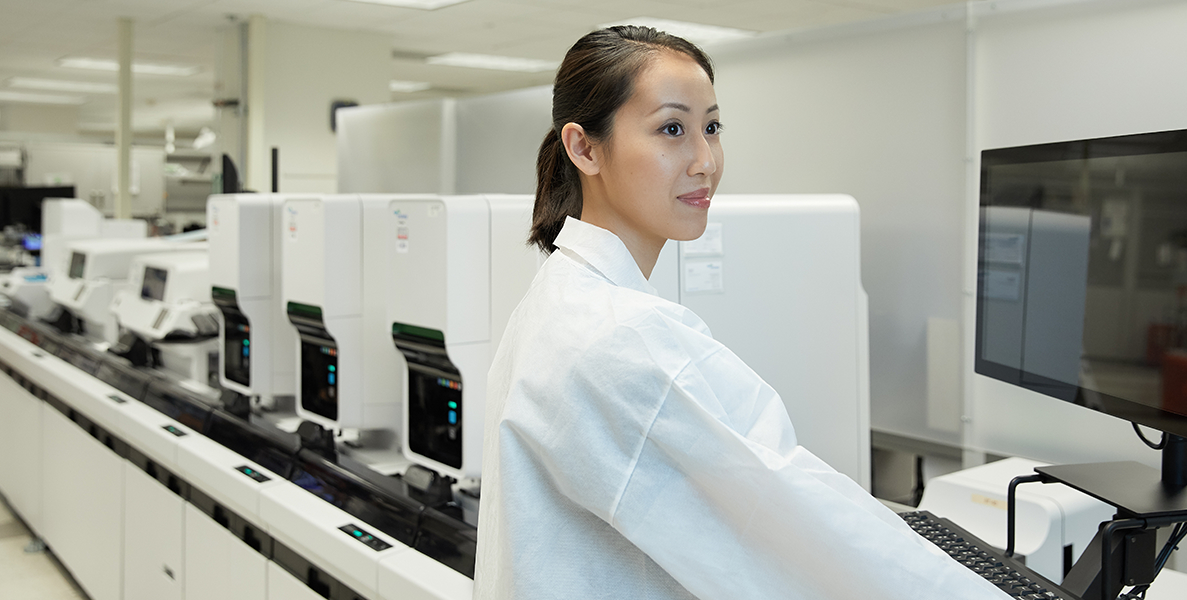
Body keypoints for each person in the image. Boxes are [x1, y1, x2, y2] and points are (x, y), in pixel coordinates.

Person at [474, 26, 1006, 600]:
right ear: (584, 148)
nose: (705, 160)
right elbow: (799, 530)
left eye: (712, 127)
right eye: (672, 129)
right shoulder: (622, 339)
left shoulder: (561, 298)